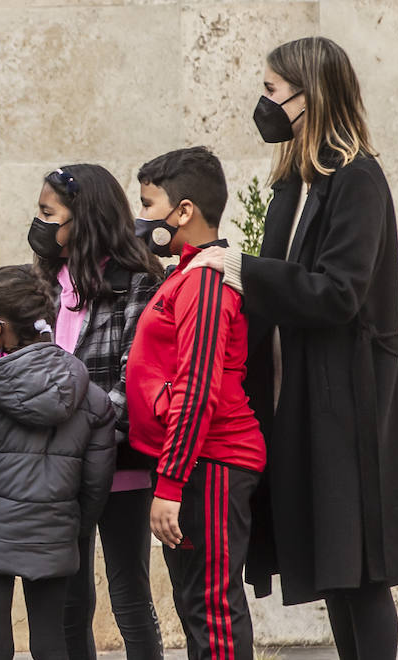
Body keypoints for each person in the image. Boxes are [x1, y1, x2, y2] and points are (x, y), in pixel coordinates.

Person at [185, 36, 398, 659]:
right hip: (300, 398)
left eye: (271, 90)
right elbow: (278, 283)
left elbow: (339, 293)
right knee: (333, 567)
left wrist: (243, 269)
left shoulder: (358, 179)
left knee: (360, 569)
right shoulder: (297, 181)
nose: (264, 104)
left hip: (347, 398)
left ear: (308, 94)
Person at [0, 264, 116, 660]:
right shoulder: (90, 394)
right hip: (54, 532)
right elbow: (97, 479)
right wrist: (75, 524)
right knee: (51, 641)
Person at [126, 146, 266, 660]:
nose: (141, 219)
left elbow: (198, 387)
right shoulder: (186, 274)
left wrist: (170, 483)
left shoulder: (205, 281)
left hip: (212, 463)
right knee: (196, 607)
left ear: (183, 212)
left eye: (147, 204)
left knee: (211, 610)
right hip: (196, 464)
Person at [29, 164, 166, 660]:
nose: (40, 224)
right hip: (57, 469)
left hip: (118, 464)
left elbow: (136, 379)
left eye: (50, 214)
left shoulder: (137, 282)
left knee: (130, 596)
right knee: (70, 599)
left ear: (83, 219)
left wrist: (72, 424)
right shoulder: (46, 282)